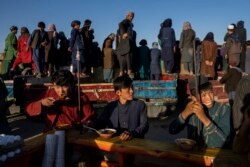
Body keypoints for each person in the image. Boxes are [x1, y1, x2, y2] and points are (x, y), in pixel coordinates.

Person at [169, 75, 231, 148]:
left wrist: (204, 118)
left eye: (210, 92)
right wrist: (185, 113)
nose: (209, 98)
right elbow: (172, 130)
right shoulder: (191, 108)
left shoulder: (224, 110)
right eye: (204, 95)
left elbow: (222, 143)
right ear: (194, 98)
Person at [24, 69, 95, 131]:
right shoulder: (49, 93)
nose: (61, 91)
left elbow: (90, 116)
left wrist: (83, 124)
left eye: (65, 86)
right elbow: (28, 109)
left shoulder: (80, 97)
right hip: (52, 131)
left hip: (73, 133)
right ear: (53, 85)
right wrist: (41, 103)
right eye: (57, 87)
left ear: (71, 85)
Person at [94, 75, 149, 141]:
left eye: (132, 87)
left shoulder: (140, 105)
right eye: (128, 88)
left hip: (135, 143)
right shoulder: (111, 107)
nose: (132, 91)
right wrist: (90, 124)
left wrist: (132, 133)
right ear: (118, 92)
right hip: (115, 143)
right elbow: (101, 123)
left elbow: (144, 126)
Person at [117, 11, 136, 77]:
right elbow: (120, 24)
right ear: (127, 16)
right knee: (127, 58)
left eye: (132, 16)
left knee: (128, 59)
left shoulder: (130, 23)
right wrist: (123, 33)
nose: (131, 17)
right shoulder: (126, 21)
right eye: (130, 16)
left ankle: (127, 73)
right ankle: (128, 73)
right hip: (126, 44)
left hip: (128, 43)